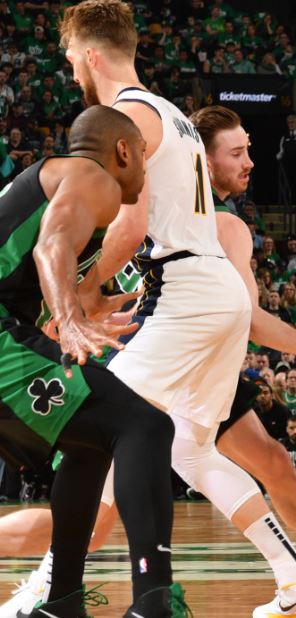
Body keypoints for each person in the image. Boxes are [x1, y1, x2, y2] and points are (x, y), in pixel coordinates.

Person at [2, 3, 296, 617]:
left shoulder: (121, 119)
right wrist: (85, 292)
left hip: (181, 290)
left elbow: (126, 230)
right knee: (185, 449)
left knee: (114, 429)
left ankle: (68, 591)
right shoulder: (173, 116)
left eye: (72, 59)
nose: (71, 70)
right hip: (213, 292)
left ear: (91, 56)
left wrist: (77, 299)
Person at [0, 106, 187, 616]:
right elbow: (52, 246)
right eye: (143, 155)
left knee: (90, 445)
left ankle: (61, 600)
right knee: (144, 425)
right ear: (123, 151)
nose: (145, 168)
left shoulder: (57, 181)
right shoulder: (93, 175)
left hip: (9, 328)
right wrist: (69, 318)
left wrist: (87, 303)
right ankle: (153, 601)